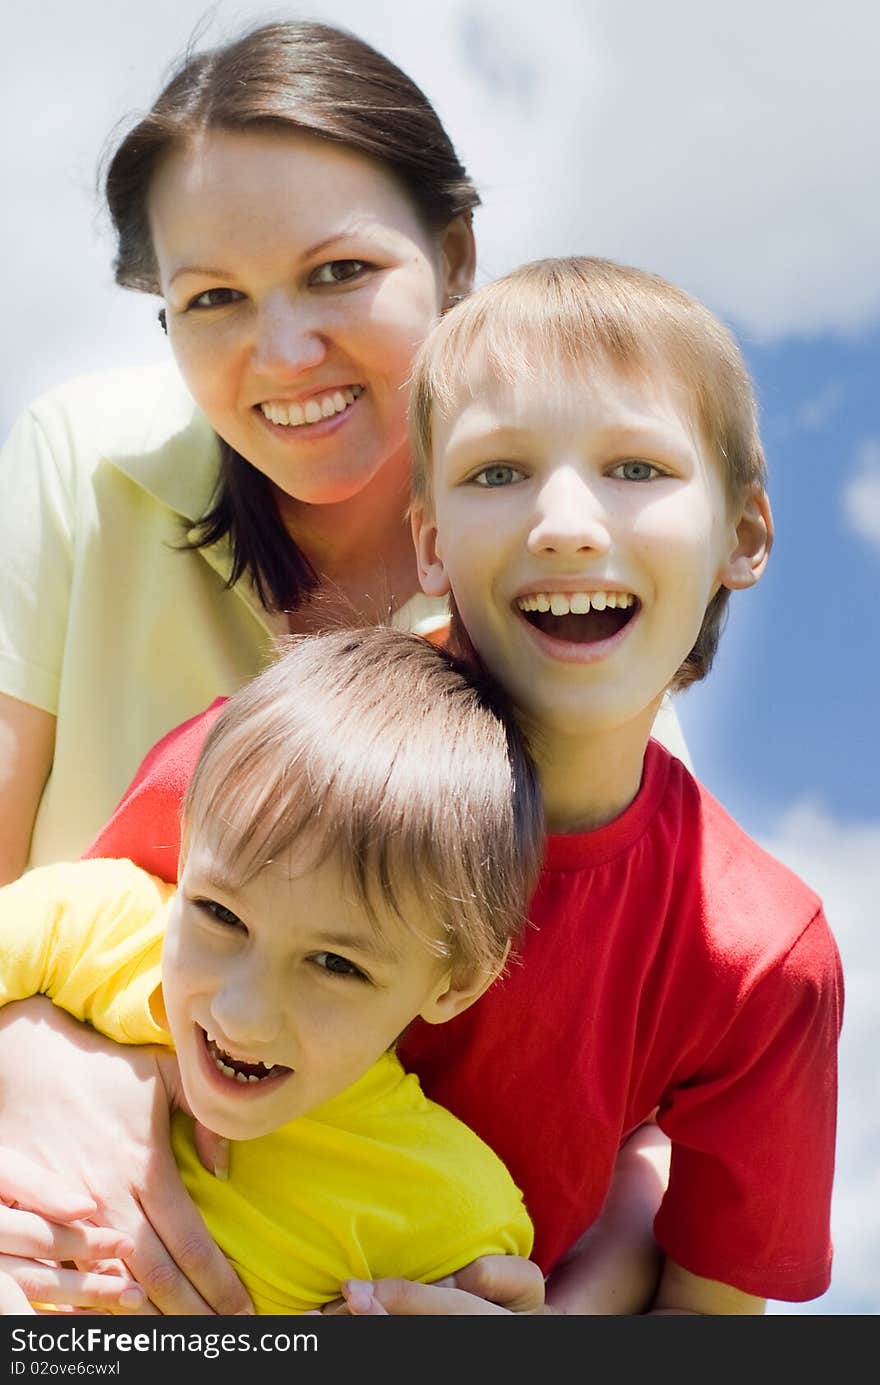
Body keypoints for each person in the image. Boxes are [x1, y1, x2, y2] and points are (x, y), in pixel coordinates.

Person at [0, 18, 680, 1316]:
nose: (285, 354)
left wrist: (536, 1318)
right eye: (211, 299)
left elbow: (641, 1099)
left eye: (338, 271)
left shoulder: (569, 598)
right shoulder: (74, 469)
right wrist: (33, 1056)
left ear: (457, 259)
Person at [82, 257, 842, 1316]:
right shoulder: (256, 766)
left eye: (635, 467)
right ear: (429, 540)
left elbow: (710, 1308)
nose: (566, 522)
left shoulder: (757, 958)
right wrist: (41, 1076)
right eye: (497, 472)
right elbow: (51, 958)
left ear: (744, 534)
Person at [0, 625, 545, 1316]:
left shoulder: (452, 1213)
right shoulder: (97, 931)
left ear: (457, 980)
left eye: (334, 964)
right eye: (221, 915)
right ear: (189, 839)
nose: (241, 1014)